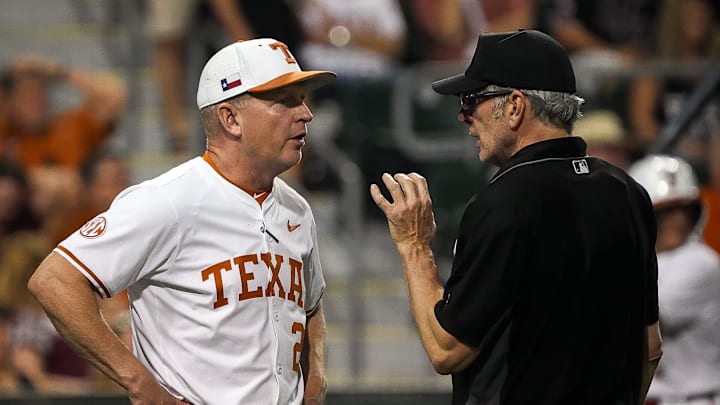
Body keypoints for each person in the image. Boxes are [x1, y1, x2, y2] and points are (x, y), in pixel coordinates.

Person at [27, 38, 334, 404]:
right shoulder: (169, 201)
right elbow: (55, 281)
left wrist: (316, 371)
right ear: (230, 119)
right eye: (284, 101)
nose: (305, 113)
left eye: (301, 98)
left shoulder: (297, 208)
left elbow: (311, 304)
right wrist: (140, 383)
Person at [370, 29, 662, 404]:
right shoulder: (628, 191)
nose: (463, 115)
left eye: (472, 99)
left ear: (514, 106)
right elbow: (649, 348)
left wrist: (415, 247)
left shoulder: (507, 200)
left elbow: (447, 350)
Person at [628, 154, 720, 405]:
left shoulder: (700, 262)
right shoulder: (645, 262)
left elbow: (640, 320)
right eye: (664, 213)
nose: (676, 221)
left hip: (695, 399)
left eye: (682, 209)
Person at [0, 55, 126, 171]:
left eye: (40, 93)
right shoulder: (6, 133)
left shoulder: (70, 125)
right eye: (26, 96)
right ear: (8, 101)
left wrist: (57, 71)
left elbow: (114, 97)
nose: (37, 102)